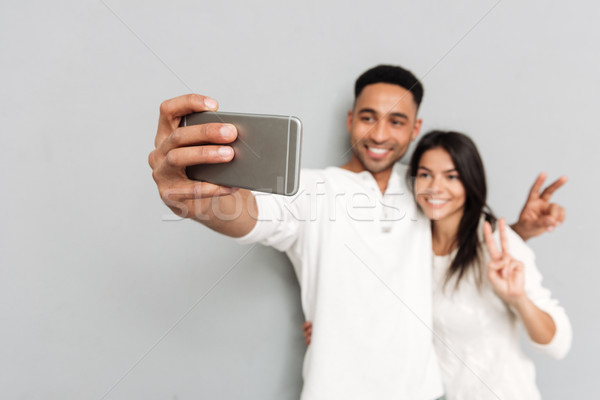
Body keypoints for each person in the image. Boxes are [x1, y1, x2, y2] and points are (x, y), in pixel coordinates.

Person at [148, 65, 566, 399]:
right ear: (351, 120)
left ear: (415, 129)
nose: (380, 134)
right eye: (368, 117)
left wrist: (519, 232)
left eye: (396, 121)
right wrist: (194, 199)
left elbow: (461, 243)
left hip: (426, 392)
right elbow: (249, 213)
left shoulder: (427, 185)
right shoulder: (312, 189)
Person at [304, 131, 571, 399]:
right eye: (425, 174)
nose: (435, 187)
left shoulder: (497, 246)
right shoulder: (410, 246)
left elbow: (557, 345)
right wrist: (337, 325)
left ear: (471, 182)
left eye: (451, 176)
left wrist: (518, 299)